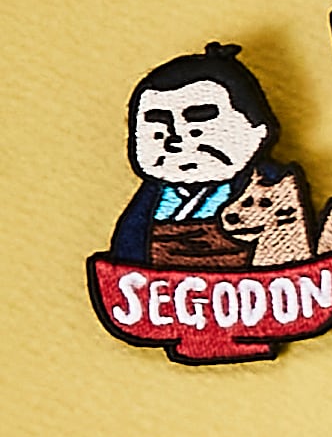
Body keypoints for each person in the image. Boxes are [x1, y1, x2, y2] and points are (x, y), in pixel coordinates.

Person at [110, 45, 281, 270]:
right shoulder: (151, 201)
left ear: (257, 130)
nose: (176, 141)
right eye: (159, 129)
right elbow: (128, 254)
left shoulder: (271, 187)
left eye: (197, 125)